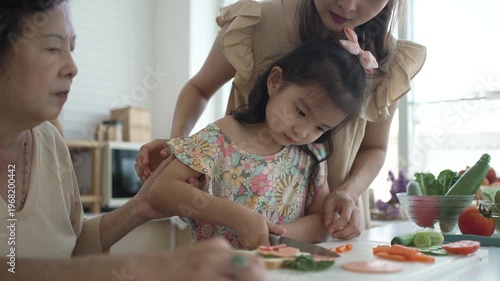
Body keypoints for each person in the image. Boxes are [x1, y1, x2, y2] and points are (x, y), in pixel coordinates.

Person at [0, 1, 266, 280]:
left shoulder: (49, 141)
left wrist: (139, 208)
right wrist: (143, 268)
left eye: (72, 49)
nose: (72, 67)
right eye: (52, 49)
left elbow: (72, 246)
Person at [135, 0, 427, 240]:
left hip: (327, 223)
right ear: (275, 80)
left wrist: (345, 194)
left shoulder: (386, 59)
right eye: (300, 112)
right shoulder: (257, 21)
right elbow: (199, 89)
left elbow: (374, 148)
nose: (347, 4)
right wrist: (180, 148)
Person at [148, 37, 370, 250]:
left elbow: (322, 222)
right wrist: (238, 217)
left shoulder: (311, 154)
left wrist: (271, 234)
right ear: (275, 81)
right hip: (214, 271)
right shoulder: (223, 136)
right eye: (301, 112)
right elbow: (161, 189)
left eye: (320, 128)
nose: (302, 131)